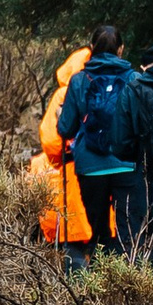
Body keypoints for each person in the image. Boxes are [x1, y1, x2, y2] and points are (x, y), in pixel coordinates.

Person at [53, 19, 146, 262]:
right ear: (121, 49)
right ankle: (130, 273)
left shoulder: (79, 80)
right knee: (129, 230)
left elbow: (66, 129)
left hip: (90, 167)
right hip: (126, 163)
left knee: (99, 231)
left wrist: (60, 116)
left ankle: (100, 273)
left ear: (91, 47)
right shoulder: (134, 78)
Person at [29, 39, 93, 255]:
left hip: (71, 175)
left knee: (74, 244)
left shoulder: (63, 94)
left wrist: (60, 159)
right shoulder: (110, 87)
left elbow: (51, 141)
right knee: (103, 246)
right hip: (105, 176)